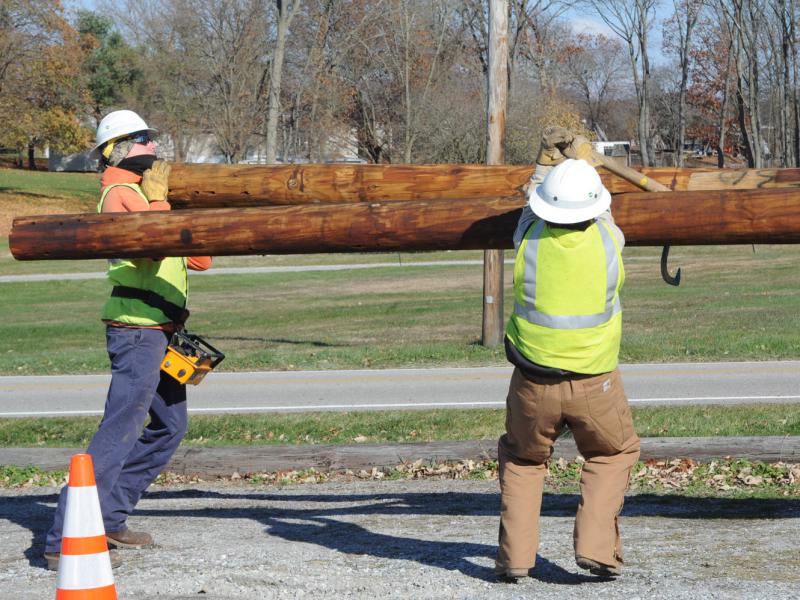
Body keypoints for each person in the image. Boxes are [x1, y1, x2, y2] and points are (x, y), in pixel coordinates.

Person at [43, 110, 212, 570]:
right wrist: (159, 206)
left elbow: (200, 259)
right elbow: (154, 244)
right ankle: (65, 538)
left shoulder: (146, 194)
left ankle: (108, 517)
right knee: (121, 428)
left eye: (151, 138)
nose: (153, 146)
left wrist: (170, 205)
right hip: (136, 331)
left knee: (169, 427)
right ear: (116, 150)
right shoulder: (120, 194)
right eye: (142, 139)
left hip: (160, 328)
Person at [494, 136, 641, 582]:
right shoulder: (608, 239)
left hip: (532, 380)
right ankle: (596, 548)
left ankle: (516, 559)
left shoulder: (529, 237)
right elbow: (604, 212)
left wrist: (547, 160)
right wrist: (584, 158)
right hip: (595, 380)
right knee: (614, 453)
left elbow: (530, 201)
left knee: (523, 461)